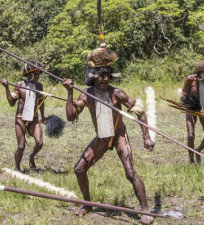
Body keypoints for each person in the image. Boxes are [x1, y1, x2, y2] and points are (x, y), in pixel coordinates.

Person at [62, 46, 155, 224]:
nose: (105, 79)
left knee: (130, 172)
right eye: (101, 75)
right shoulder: (87, 94)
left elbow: (140, 113)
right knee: (79, 169)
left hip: (118, 135)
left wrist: (146, 136)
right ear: (93, 76)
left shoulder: (116, 93)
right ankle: (87, 204)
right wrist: (69, 93)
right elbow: (71, 116)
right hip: (102, 138)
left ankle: (145, 210)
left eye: (108, 75)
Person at [1, 62, 46, 172]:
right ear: (29, 74)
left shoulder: (39, 86)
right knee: (21, 146)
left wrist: (43, 116)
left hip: (33, 118)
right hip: (21, 118)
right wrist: (7, 88)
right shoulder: (20, 84)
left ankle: (31, 156)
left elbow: (41, 101)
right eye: (35, 75)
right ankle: (17, 167)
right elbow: (12, 102)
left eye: (38, 75)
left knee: (39, 143)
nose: (37, 77)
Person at [181, 61, 204, 164]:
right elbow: (183, 93)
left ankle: (198, 150)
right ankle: (191, 160)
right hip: (191, 108)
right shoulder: (190, 79)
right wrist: (187, 104)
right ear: (198, 73)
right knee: (190, 135)